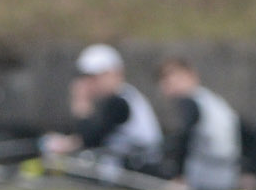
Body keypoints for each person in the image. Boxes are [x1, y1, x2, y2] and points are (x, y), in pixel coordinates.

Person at [40, 44, 164, 174]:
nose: (89, 83)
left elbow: (91, 140)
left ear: (115, 74)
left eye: (94, 77)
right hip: (128, 163)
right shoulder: (123, 97)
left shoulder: (120, 102)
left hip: (139, 168)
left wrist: (81, 104)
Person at [157, 57, 246, 190]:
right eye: (165, 79)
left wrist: (178, 175)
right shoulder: (214, 101)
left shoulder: (188, 102)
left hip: (202, 179)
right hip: (228, 174)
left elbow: (184, 137)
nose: (171, 83)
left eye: (176, 77)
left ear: (192, 76)